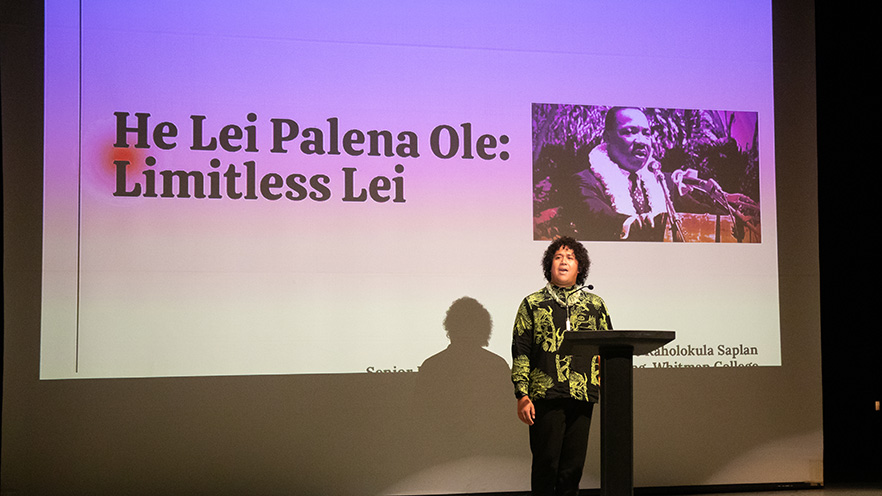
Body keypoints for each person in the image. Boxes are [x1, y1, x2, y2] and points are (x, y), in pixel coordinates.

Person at [511, 236, 612, 496]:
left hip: (582, 395)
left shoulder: (595, 305)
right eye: (558, 257)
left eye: (570, 257)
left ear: (580, 267)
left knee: (572, 469)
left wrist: (605, 385)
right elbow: (521, 351)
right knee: (547, 465)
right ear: (549, 266)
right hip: (545, 395)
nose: (563, 262)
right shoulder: (532, 304)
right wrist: (522, 394)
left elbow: (608, 348)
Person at [569, 107, 710, 241]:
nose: (641, 141)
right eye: (630, 131)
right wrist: (641, 224)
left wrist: (726, 201)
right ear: (608, 137)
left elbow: (702, 212)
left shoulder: (664, 182)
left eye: (646, 134)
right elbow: (601, 219)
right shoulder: (584, 181)